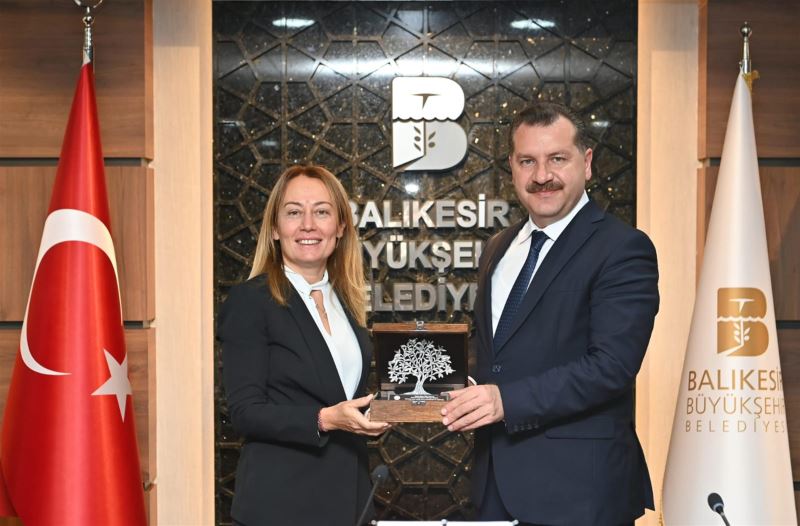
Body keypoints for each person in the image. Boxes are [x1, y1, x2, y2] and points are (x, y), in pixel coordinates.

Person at [441, 102, 659, 525]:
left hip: (580, 495)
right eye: (528, 161)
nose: (542, 175)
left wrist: (505, 401)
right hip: (494, 489)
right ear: (512, 167)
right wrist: (439, 389)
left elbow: (611, 366)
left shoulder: (622, 248)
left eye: (557, 158)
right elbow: (499, 355)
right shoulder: (498, 248)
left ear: (587, 163)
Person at [218, 165, 390, 526]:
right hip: (280, 505)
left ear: (340, 227)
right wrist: (324, 419)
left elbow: (341, 393)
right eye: (294, 212)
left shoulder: (347, 303)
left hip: (350, 502)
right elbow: (245, 412)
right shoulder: (250, 301)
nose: (308, 225)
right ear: (275, 228)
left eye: (322, 212)